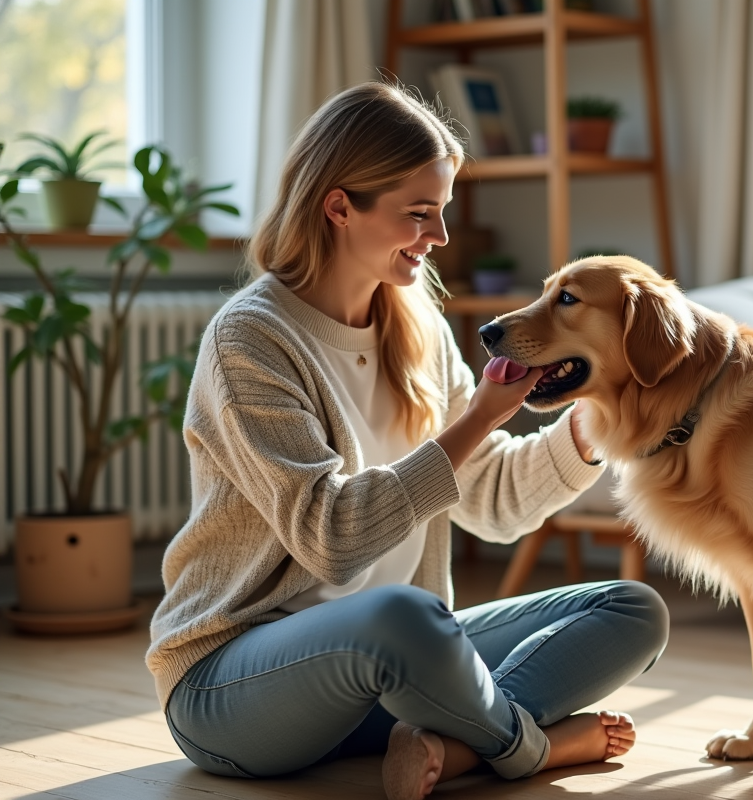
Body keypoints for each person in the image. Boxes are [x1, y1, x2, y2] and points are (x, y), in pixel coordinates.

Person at [146, 82, 669, 800]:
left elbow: (492, 504)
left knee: (630, 610)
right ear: (339, 206)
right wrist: (480, 416)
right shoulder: (250, 340)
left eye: (443, 211)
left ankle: (446, 743)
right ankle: (527, 748)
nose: (442, 237)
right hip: (229, 689)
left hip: (385, 673)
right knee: (404, 615)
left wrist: (589, 427)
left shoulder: (416, 326)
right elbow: (331, 537)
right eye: (419, 214)